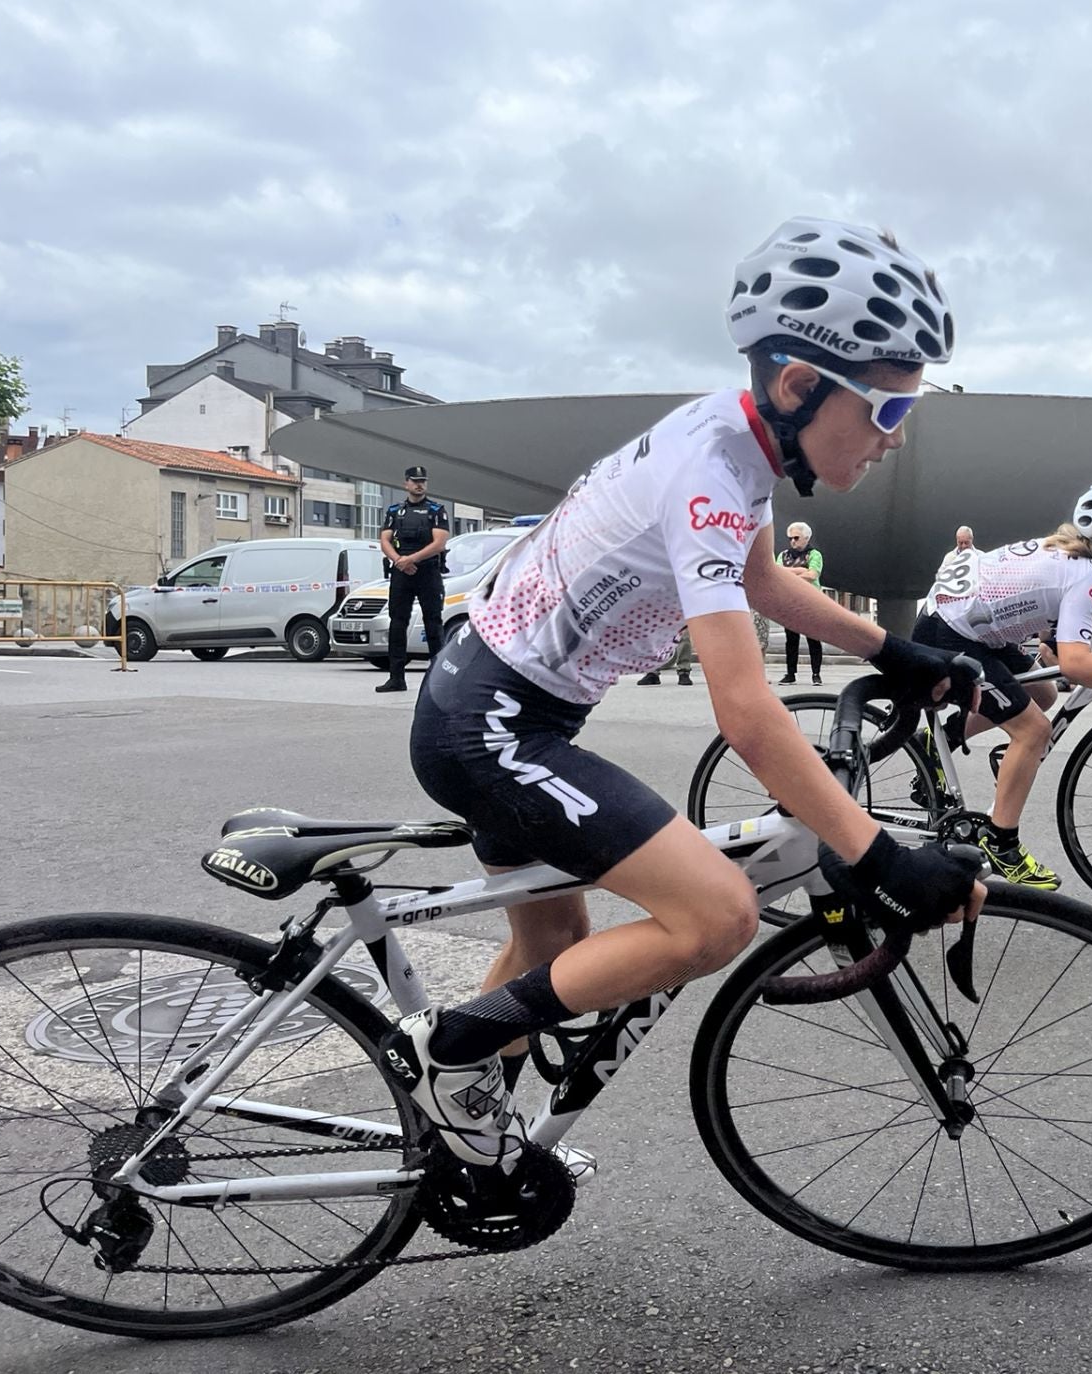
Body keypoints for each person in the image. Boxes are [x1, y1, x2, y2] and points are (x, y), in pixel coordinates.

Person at [386, 217, 983, 1166]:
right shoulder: (710, 474)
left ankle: (459, 1150)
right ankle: (447, 1050)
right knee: (716, 917)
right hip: (493, 728)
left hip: (495, 702)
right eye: (888, 412)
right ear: (799, 385)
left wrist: (895, 650)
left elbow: (761, 580)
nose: (892, 442)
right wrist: (873, 855)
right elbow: (746, 714)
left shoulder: (733, 439)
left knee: (552, 954)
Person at [912, 480, 1092, 889]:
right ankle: (1000, 844)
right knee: (1034, 730)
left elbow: (1076, 616)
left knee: (1043, 693)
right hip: (951, 635)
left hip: (964, 625)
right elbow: (1074, 663)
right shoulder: (1085, 573)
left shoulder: (1072, 558)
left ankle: (940, 741)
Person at [376, 466, 450, 693]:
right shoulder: (394, 511)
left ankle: (439, 680)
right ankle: (396, 678)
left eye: (423, 481)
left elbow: (439, 543)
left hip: (427, 572)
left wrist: (411, 560)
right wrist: (399, 560)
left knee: (433, 625)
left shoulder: (436, 510)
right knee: (397, 624)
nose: (419, 484)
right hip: (401, 573)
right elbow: (385, 540)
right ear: (406, 483)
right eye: (415, 481)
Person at [775, 521, 825, 685]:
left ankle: (816, 673)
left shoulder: (814, 554)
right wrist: (801, 571)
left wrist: (789, 573)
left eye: (796, 538)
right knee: (791, 639)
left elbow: (812, 575)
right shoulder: (783, 555)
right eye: (790, 538)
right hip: (789, 601)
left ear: (806, 538)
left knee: (813, 638)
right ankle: (790, 673)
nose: (793, 541)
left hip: (811, 601)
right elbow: (776, 573)